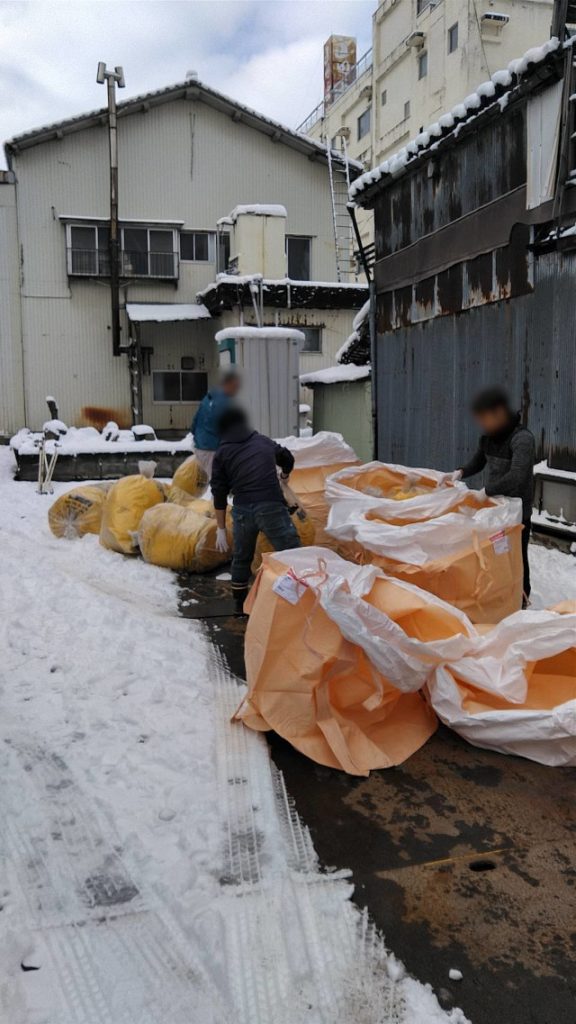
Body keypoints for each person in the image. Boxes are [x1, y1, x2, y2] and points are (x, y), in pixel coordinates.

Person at [442, 387, 535, 604]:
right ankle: (499, 596)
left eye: (485, 418)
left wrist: (487, 491)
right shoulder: (488, 438)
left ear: (499, 413)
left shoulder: (522, 439)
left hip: (517, 514)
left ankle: (522, 599)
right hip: (495, 510)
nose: (483, 424)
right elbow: (479, 461)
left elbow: (517, 476)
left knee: (517, 557)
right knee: (497, 554)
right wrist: (461, 472)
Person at [210, 407, 301, 610]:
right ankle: (295, 602)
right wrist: (284, 476)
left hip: (242, 511)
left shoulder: (222, 452)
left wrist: (221, 529)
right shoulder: (262, 441)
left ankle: (240, 607)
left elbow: (219, 492)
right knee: (292, 553)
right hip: (271, 507)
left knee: (241, 558)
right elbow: (288, 458)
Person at [191, 367, 241, 478]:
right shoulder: (225, 402)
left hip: (200, 447)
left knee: (213, 481)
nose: (236, 390)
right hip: (212, 449)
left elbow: (194, 423)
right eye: (235, 386)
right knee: (218, 482)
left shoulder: (208, 398)